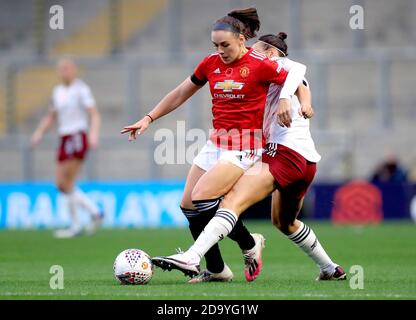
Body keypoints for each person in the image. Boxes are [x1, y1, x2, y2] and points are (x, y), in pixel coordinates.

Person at [121, 8, 306, 282]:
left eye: (225, 45)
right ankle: (218, 268)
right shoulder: (210, 64)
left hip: (246, 144)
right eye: (216, 45)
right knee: (188, 205)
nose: (220, 50)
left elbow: (297, 78)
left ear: (242, 40)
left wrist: (287, 99)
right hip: (216, 142)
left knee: (203, 196)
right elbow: (181, 92)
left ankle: (249, 244)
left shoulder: (260, 64)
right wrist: (149, 118)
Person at [152, 33, 347, 281]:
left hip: (282, 153)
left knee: (231, 202)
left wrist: (292, 100)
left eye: (255, 51)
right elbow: (302, 84)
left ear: (270, 53)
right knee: (284, 222)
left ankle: (192, 256)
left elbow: (297, 69)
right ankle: (330, 268)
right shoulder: (272, 73)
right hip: (306, 161)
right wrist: (305, 103)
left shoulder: (279, 65)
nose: (249, 57)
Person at [31, 57, 104, 238]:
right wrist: (39, 132)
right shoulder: (58, 92)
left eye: (67, 68)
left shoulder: (81, 89)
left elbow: (94, 114)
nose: (64, 72)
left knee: (67, 182)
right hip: (64, 137)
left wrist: (93, 134)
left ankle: (77, 224)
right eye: (61, 69)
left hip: (77, 136)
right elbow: (51, 116)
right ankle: (94, 212)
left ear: (74, 70)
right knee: (61, 184)